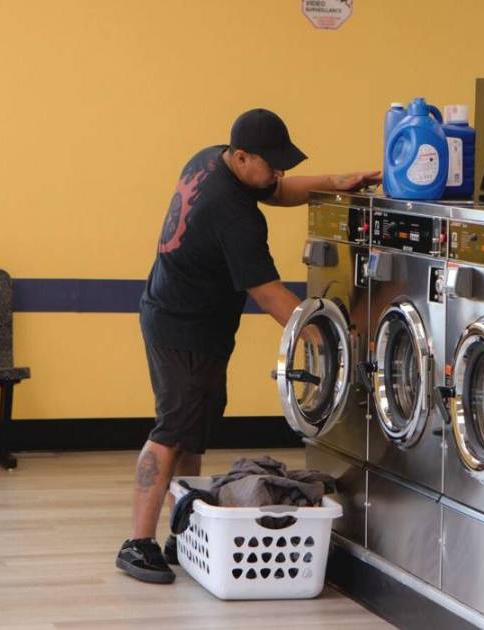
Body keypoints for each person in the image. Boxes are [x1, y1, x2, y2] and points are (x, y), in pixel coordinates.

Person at [116, 108, 380, 584]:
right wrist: (328, 341)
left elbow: (276, 190)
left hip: (180, 315)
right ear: (241, 158)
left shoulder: (210, 159)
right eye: (271, 163)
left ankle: (182, 530)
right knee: (173, 430)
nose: (280, 172)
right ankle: (136, 543)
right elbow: (270, 294)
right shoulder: (234, 216)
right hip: (183, 328)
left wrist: (340, 182)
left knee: (193, 429)